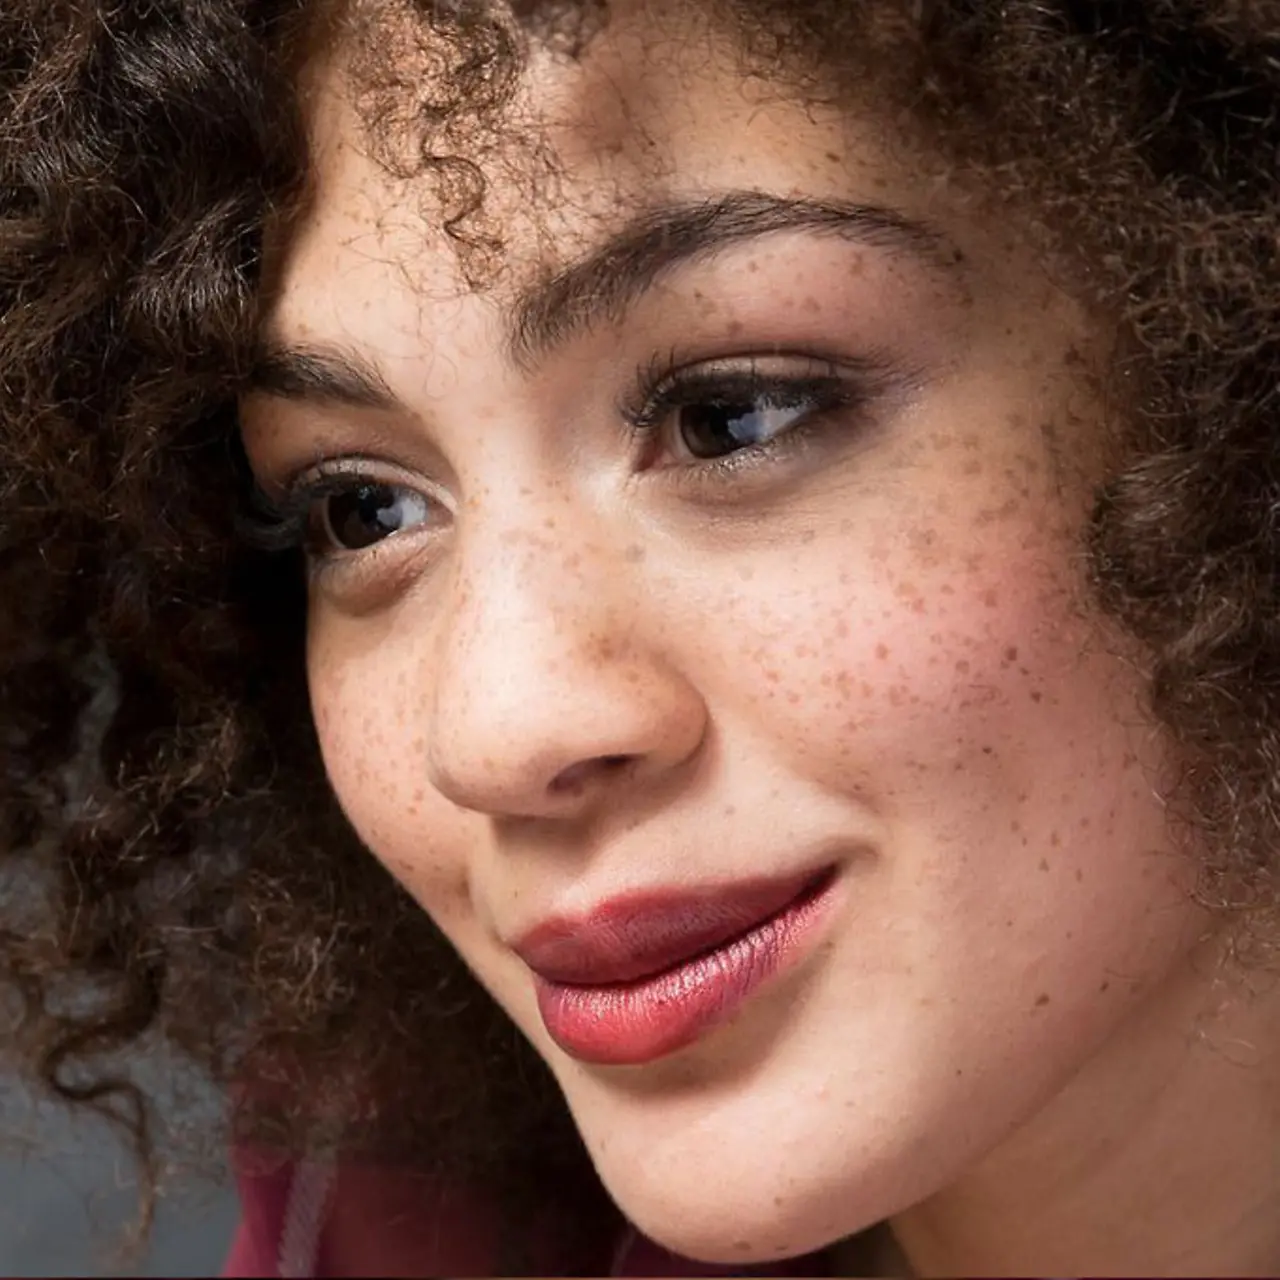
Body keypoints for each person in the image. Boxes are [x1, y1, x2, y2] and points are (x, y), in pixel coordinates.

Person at [3, 0, 1280, 1273]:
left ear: (1228, 386)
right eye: (361, 506)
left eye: (730, 416)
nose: (496, 729)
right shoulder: (407, 1229)